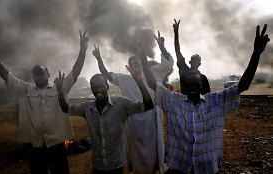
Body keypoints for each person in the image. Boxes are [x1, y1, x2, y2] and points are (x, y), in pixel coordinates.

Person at [140, 24, 270, 174]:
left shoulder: (214, 101)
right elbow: (154, 79)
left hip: (206, 167)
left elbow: (243, 85)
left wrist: (256, 54)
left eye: (196, 84)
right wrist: (145, 51)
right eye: (189, 85)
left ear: (202, 84)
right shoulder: (174, 99)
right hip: (179, 165)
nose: (193, 87)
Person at [0, 30, 89, 174]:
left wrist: (82, 49)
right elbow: (5, 74)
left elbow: (76, 71)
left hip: (57, 144)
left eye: (41, 73)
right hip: (35, 145)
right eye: (35, 74)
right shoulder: (25, 90)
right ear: (33, 77)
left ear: (48, 74)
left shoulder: (60, 88)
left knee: (60, 171)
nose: (38, 76)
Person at [92, 31, 173, 173]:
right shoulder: (124, 79)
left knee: (153, 150)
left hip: (152, 121)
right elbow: (106, 74)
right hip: (134, 124)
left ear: (141, 64)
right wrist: (99, 59)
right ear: (128, 67)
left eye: (137, 63)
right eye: (131, 64)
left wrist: (162, 47)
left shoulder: (153, 73)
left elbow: (168, 63)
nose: (134, 66)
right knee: (136, 151)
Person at [54, 64, 154, 173]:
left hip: (117, 164)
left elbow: (148, 105)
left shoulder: (121, 103)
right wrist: (59, 90)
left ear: (107, 86)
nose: (98, 90)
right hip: (98, 165)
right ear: (91, 88)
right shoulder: (87, 107)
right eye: (94, 87)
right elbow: (66, 109)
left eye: (101, 86)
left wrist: (139, 82)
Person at [173, 19, 210, 95]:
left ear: (199, 64)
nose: (195, 63)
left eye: (196, 62)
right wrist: (176, 33)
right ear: (190, 62)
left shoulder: (203, 78)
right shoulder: (184, 70)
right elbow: (177, 51)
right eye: (194, 61)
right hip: (185, 104)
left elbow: (207, 96)